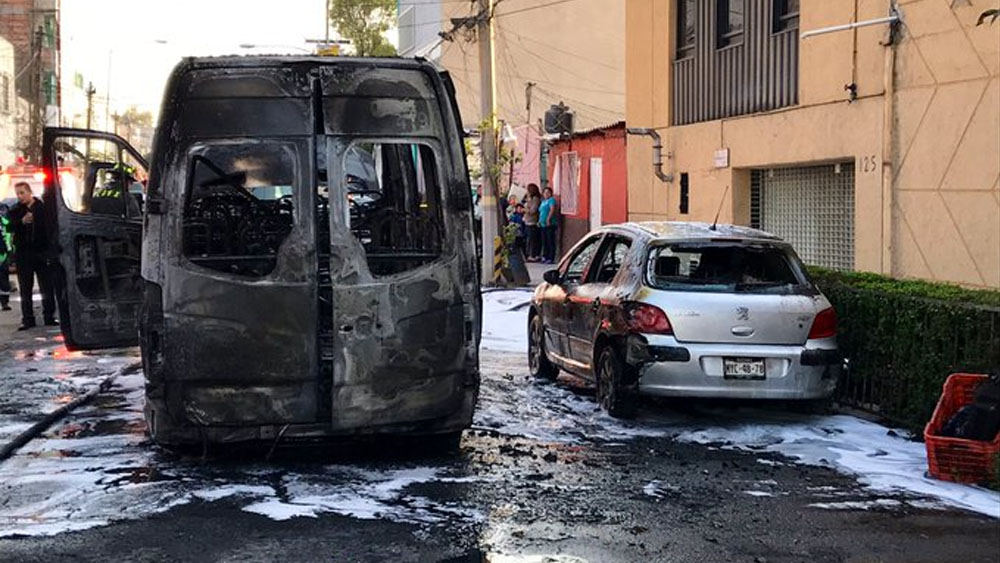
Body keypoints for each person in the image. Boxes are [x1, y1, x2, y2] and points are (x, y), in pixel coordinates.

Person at [8, 182, 57, 330]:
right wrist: (21, 222)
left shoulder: (42, 208)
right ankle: (28, 319)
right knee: (25, 288)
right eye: (18, 193)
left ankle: (49, 316)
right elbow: (9, 226)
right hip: (24, 253)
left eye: (22, 193)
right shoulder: (16, 210)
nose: (20, 196)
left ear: (29, 192)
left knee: (46, 287)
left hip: (41, 252)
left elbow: (51, 227)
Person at [522, 183, 542, 262]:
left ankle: (533, 255)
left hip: (532, 221)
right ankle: (530, 254)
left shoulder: (535, 199)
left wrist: (525, 210)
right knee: (529, 239)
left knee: (533, 239)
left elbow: (533, 210)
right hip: (527, 221)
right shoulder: (528, 198)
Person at [539, 187, 558, 264]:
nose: (546, 194)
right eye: (545, 192)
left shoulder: (551, 200)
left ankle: (551, 257)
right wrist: (539, 221)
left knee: (550, 240)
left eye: (548, 192)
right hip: (542, 224)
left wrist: (548, 219)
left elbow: (552, 209)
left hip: (550, 224)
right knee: (544, 241)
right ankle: (545, 256)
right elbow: (541, 212)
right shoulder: (543, 201)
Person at [0, 203, 12, 311]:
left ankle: (4, 302)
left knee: (3, 277)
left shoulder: (3, 209)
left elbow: (8, 229)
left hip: (2, 252)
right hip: (3, 250)